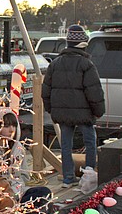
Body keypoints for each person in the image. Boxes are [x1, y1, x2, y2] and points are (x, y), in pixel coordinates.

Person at [41, 25, 105, 188]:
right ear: (82, 44)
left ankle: (68, 178)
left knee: (66, 145)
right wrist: (98, 111)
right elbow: (94, 91)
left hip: (62, 113)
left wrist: (51, 109)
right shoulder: (87, 64)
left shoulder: (55, 64)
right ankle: (89, 175)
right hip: (84, 114)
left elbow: (46, 90)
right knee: (90, 141)